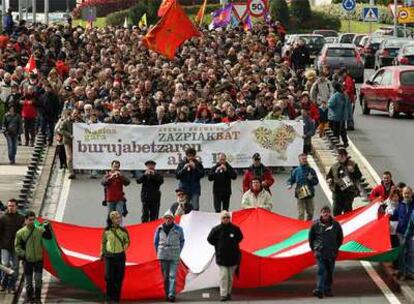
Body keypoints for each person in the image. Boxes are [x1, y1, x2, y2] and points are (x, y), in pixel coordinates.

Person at [15, 211, 52, 304]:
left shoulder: (39, 230)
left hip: (39, 260)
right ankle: (30, 298)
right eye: (30, 220)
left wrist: (47, 229)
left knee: (38, 279)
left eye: (33, 219)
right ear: (26, 220)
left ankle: (38, 298)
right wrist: (24, 254)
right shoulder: (20, 233)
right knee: (28, 281)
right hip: (27, 261)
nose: (32, 221)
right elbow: (17, 247)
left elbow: (48, 237)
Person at [207, 210, 243, 302]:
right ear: (221, 219)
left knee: (230, 278)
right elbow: (209, 239)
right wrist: (218, 245)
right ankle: (223, 294)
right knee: (223, 277)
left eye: (227, 217)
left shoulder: (235, 229)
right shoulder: (216, 229)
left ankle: (228, 293)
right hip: (221, 257)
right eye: (224, 217)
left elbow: (240, 238)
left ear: (229, 218)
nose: (226, 219)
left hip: (233, 257)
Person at [309, 205, 343, 299]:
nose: (325, 214)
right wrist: (315, 249)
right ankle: (319, 290)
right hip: (320, 253)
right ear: (321, 214)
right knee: (321, 270)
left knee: (329, 272)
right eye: (324, 212)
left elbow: (340, 238)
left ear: (329, 213)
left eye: (327, 212)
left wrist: (335, 248)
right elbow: (311, 238)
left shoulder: (336, 225)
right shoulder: (315, 225)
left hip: (331, 253)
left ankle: (327, 289)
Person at [154, 211, 185, 302]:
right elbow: (155, 242)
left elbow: (182, 241)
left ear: (173, 219)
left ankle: (171, 294)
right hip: (163, 254)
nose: (168, 219)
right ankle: (166, 293)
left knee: (172, 275)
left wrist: (179, 250)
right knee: (165, 276)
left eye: (170, 218)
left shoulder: (179, 229)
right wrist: (158, 252)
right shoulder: (159, 228)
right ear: (164, 219)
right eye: (166, 218)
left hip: (174, 254)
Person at [100, 211, 130, 303]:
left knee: (119, 278)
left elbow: (127, 241)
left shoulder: (123, 230)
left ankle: (116, 299)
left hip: (120, 256)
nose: (118, 219)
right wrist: (102, 252)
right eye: (116, 218)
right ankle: (109, 298)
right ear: (111, 219)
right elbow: (103, 242)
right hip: (109, 256)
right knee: (108, 277)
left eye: (119, 218)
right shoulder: (106, 231)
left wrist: (122, 248)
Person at [326, 148, 362, 216]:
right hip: (337, 192)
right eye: (338, 156)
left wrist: (353, 171)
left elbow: (359, 176)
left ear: (344, 156)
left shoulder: (352, 164)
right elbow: (329, 176)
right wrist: (329, 179)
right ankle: (337, 225)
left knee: (347, 212)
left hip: (348, 192)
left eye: (340, 156)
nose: (338, 158)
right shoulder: (334, 166)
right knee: (336, 212)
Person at [0, 199, 25, 293]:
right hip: (5, 246)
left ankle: (12, 285)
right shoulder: (3, 218)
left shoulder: (21, 218)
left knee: (15, 267)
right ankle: (3, 284)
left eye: (12, 206)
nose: (10, 207)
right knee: (5, 265)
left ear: (16, 206)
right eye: (9, 205)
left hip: (16, 247)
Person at [287, 154, 319, 221]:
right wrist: (289, 184)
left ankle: (307, 224)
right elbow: (290, 179)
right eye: (303, 159)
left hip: (309, 193)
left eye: (305, 159)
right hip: (300, 193)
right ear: (299, 160)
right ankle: (300, 227)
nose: (305, 160)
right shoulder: (296, 170)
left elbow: (316, 182)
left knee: (310, 212)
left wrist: (311, 179)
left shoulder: (311, 170)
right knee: (301, 213)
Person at [59, 109, 83, 179]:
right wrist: (69, 135)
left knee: (76, 156)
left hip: (77, 142)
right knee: (69, 157)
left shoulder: (80, 121)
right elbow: (61, 130)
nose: (75, 115)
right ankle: (71, 172)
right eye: (74, 113)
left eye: (77, 113)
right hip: (68, 141)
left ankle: (76, 169)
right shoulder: (66, 121)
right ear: (71, 114)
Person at [328, 83, 351, 148]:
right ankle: (345, 142)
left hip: (335, 116)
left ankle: (336, 143)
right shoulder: (346, 95)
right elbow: (348, 105)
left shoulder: (335, 96)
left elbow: (330, 104)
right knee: (343, 130)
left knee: (336, 131)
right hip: (343, 116)